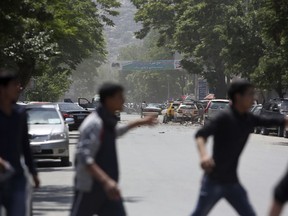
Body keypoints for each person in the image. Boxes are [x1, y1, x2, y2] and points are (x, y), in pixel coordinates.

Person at [191, 80, 288, 216]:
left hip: (232, 183)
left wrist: (285, 120)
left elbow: (271, 121)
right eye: (250, 94)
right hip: (214, 181)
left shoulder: (249, 118)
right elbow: (200, 135)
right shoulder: (223, 118)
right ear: (238, 97)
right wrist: (204, 156)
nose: (253, 98)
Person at [71, 83, 156, 216]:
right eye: (119, 97)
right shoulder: (94, 123)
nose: (123, 100)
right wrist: (106, 181)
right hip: (90, 187)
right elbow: (84, 156)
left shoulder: (106, 120)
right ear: (108, 99)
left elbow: (116, 132)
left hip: (108, 189)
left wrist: (141, 122)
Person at [0, 67, 40, 216]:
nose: (19, 88)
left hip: (17, 176)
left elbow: (25, 145)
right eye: (14, 85)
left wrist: (33, 172)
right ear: (2, 89)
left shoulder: (20, 114)